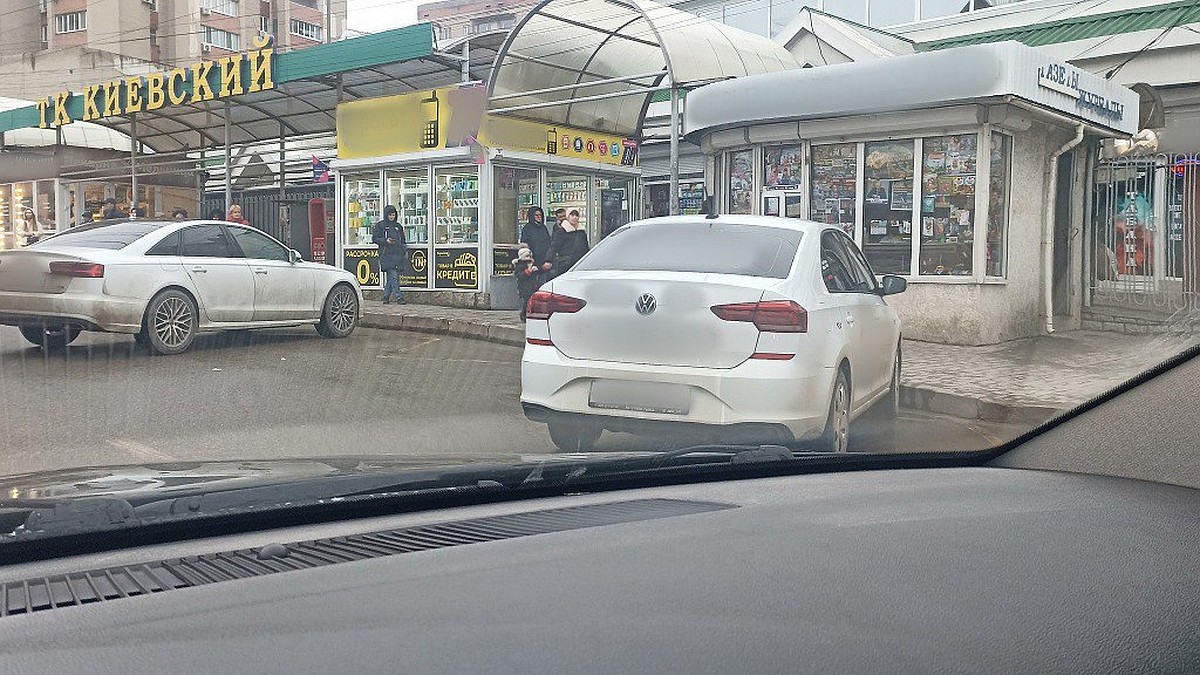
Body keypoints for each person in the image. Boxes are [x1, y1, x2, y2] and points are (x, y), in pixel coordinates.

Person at [372, 205, 408, 305]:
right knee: (393, 276)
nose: (392, 217)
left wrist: (404, 249)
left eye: (393, 215)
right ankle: (399, 297)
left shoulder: (398, 226)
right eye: (390, 215)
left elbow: (403, 240)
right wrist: (385, 241)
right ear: (386, 215)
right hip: (386, 254)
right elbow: (375, 239)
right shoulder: (381, 225)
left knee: (391, 278)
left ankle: (385, 296)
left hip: (397, 254)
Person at [543, 209, 589, 281]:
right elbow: (554, 247)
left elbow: (586, 248)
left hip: (579, 265)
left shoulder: (582, 232)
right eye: (572, 215)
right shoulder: (561, 232)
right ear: (568, 217)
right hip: (565, 264)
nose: (574, 217)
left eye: (576, 215)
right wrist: (548, 260)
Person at [519, 206, 551, 276]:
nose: (539, 217)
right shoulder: (527, 228)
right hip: (532, 262)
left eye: (540, 215)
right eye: (536, 215)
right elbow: (525, 245)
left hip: (544, 262)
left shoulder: (543, 228)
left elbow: (548, 242)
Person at [513, 245, 540, 322]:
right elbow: (520, 275)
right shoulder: (520, 265)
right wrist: (528, 271)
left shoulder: (531, 263)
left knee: (531, 301)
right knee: (526, 301)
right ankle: (523, 315)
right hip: (524, 287)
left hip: (532, 285)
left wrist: (536, 269)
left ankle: (529, 314)